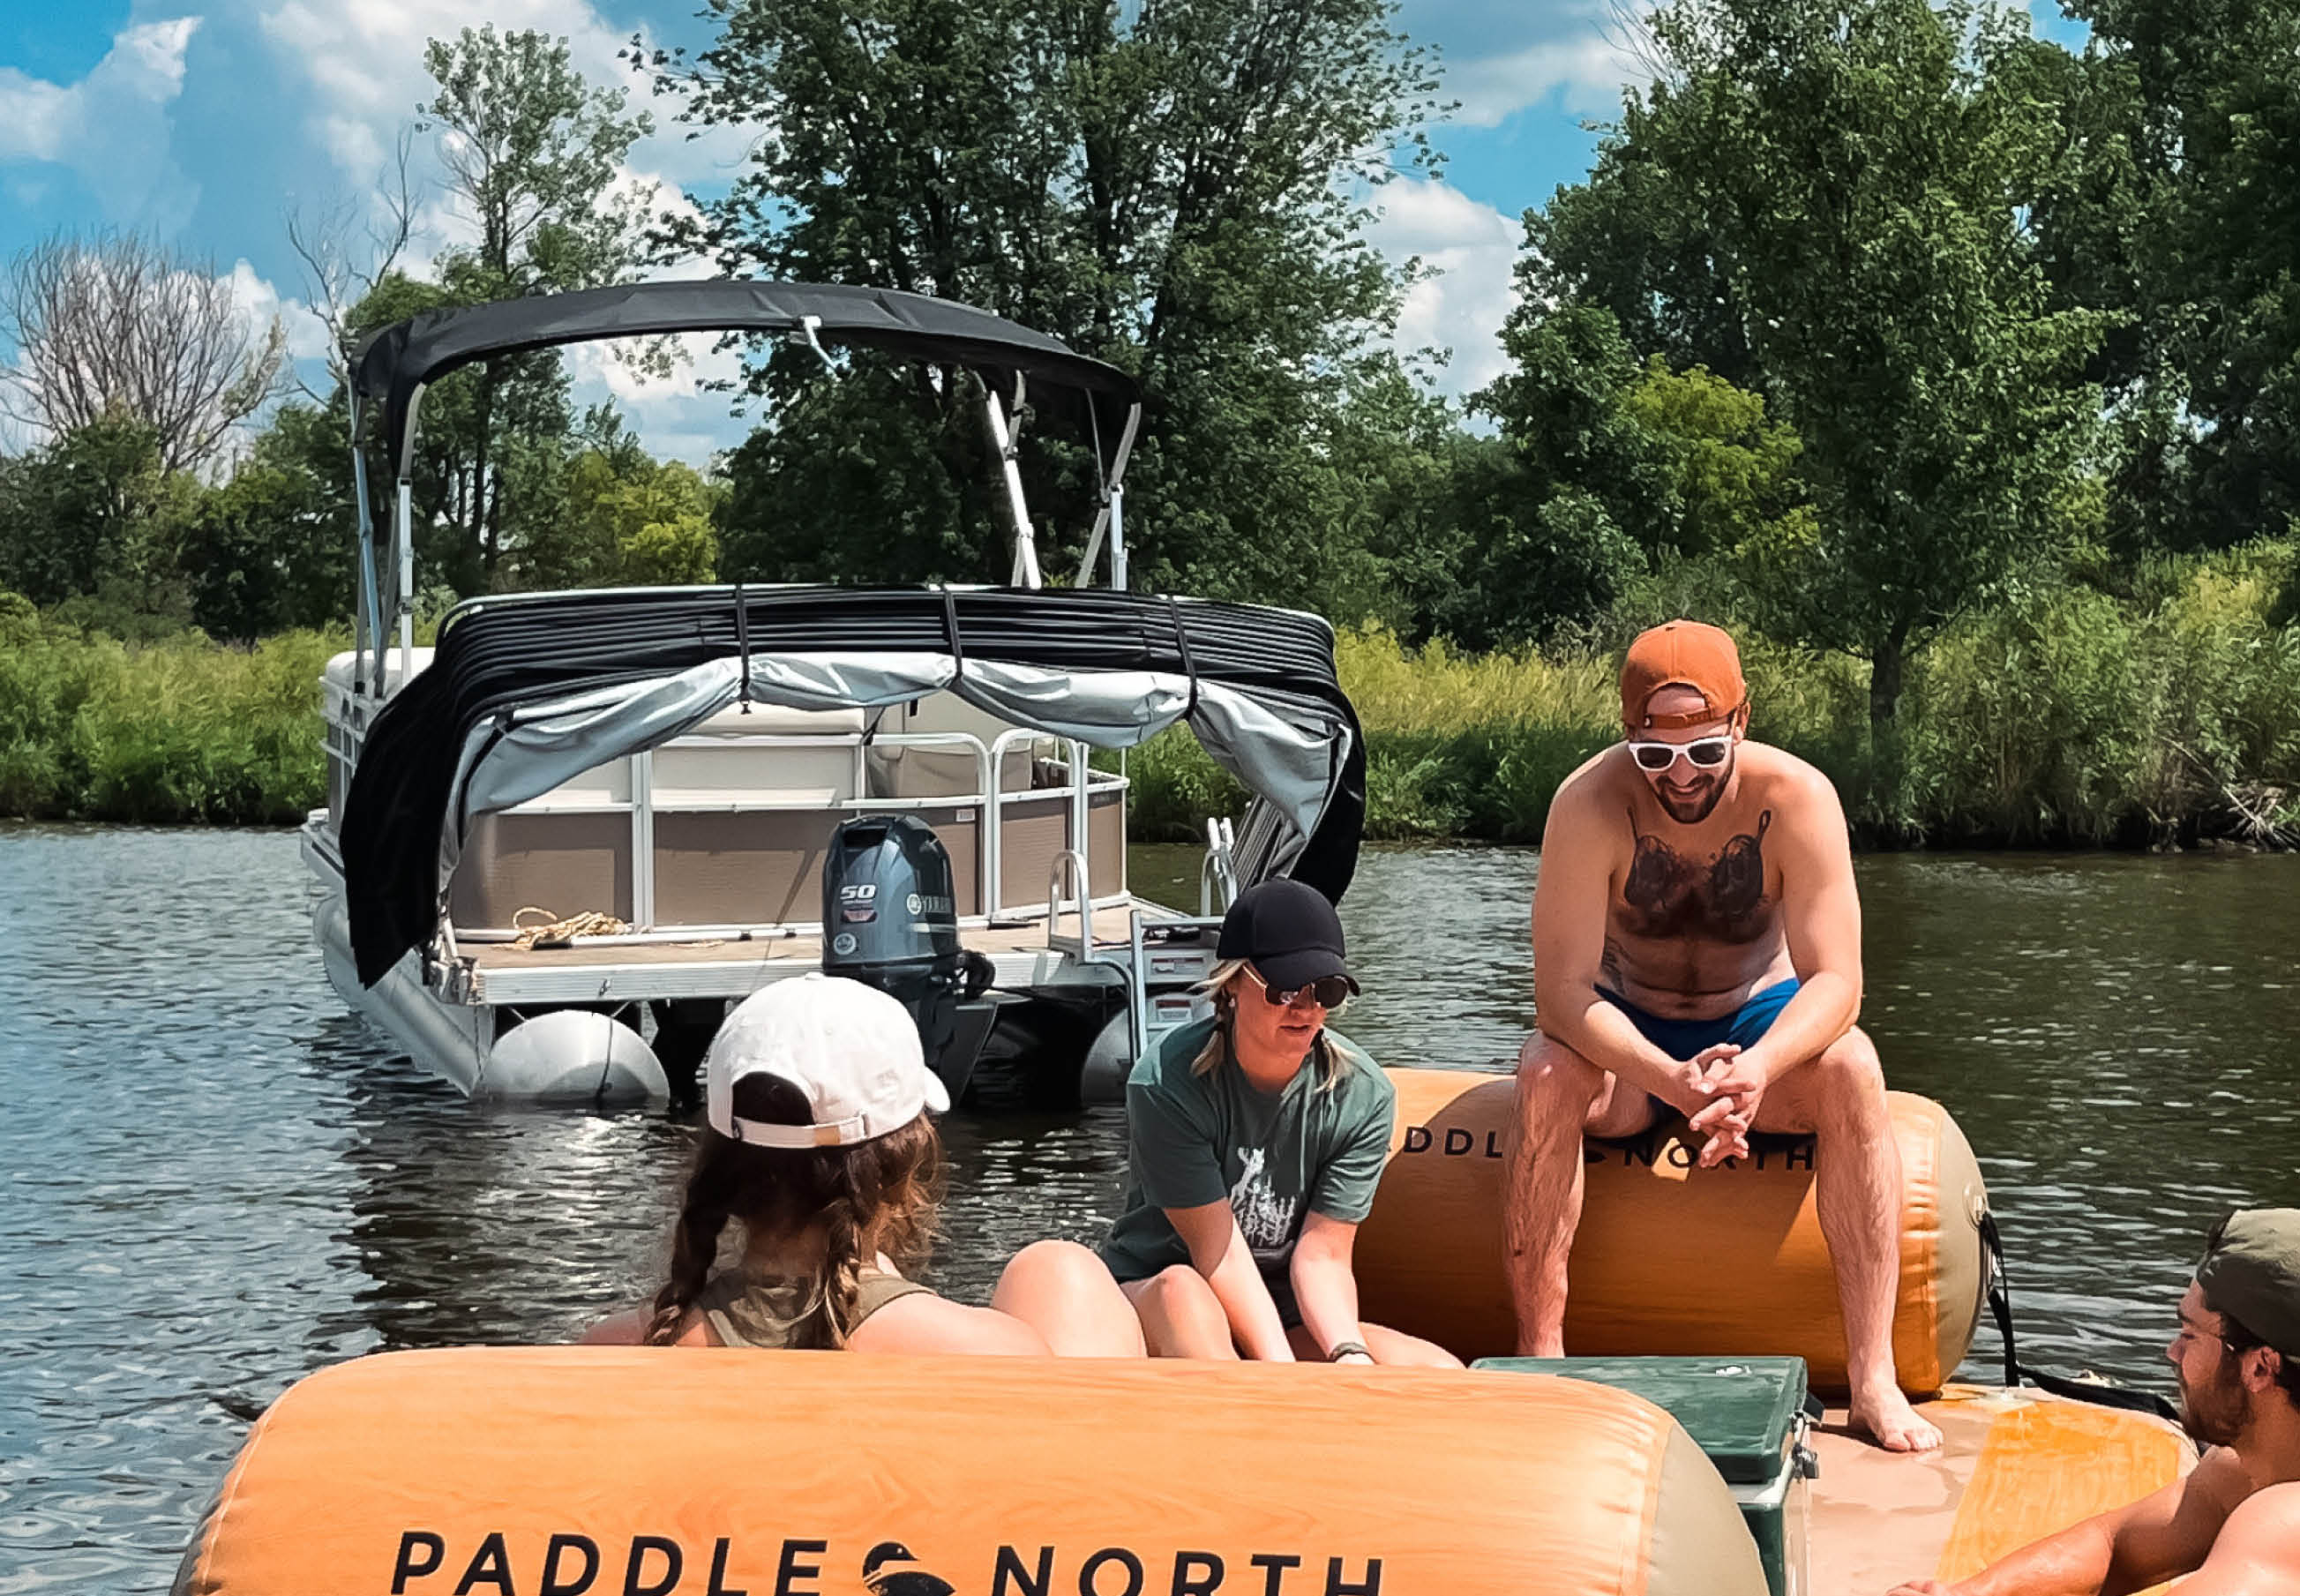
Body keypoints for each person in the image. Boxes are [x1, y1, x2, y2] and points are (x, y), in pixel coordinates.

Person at [1506, 617, 1937, 1456]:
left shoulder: (1796, 797)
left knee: (1852, 1064)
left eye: (1704, 753)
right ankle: (1539, 1356)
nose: (1681, 778)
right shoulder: (1586, 804)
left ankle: (1872, 1375)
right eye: (1655, 757)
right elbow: (1560, 996)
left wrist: (1758, 1068)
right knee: (1543, 1068)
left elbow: (1837, 980)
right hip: (1625, 1028)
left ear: (1740, 721)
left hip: (1756, 1018)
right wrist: (1668, 1077)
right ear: (1627, 737)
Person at [1859, 1211, 2300, 1596]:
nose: (2171, 1353)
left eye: (2190, 1335)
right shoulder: (2242, 1471)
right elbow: (2114, 1547)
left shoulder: (2286, 1518)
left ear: (2259, 1366)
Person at [586, 976, 1145, 1357]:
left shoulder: (613, 1352)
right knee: (1060, 1269)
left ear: (721, 1168)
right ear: (901, 1164)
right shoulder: (991, 1355)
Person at [1103, 880, 1458, 1369]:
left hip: (1285, 1314)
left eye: (1325, 990)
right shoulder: (1165, 1082)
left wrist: (1347, 1354)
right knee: (1185, 1296)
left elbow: (1323, 1257)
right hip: (1159, 1292)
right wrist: (1280, 1372)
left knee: (1437, 1371)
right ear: (1231, 983)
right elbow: (1217, 1253)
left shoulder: (1364, 1095)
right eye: (1286, 987)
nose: (1307, 1008)